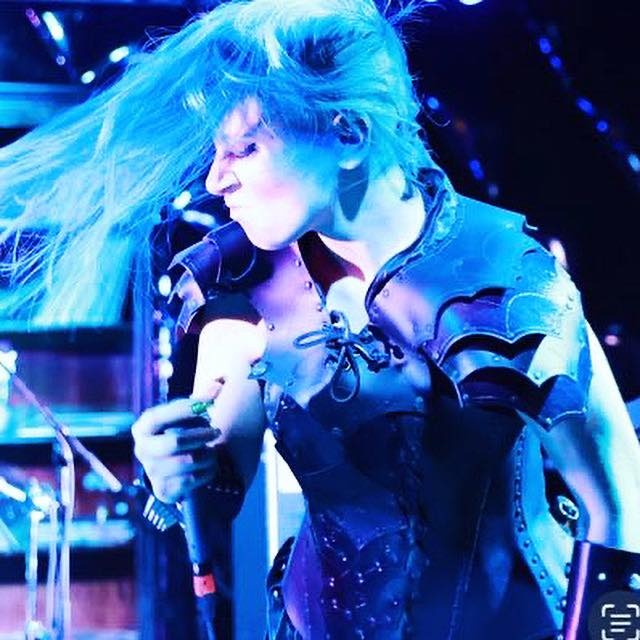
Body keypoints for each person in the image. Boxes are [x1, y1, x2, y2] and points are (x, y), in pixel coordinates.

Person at [2, 1, 640, 638]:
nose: (217, 179)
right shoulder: (243, 285)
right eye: (218, 151)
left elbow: (620, 509)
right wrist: (173, 468)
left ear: (348, 135)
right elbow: (217, 483)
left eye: (246, 149)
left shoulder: (507, 279)